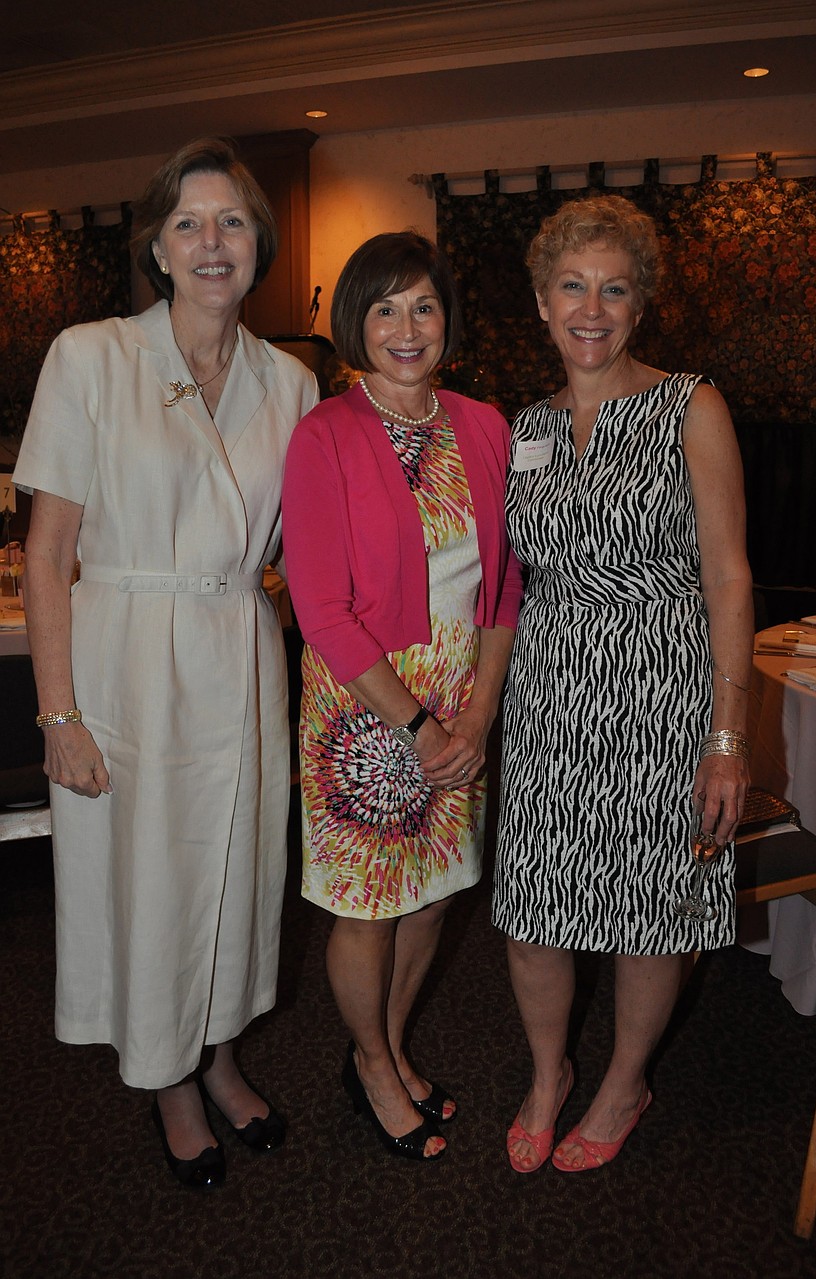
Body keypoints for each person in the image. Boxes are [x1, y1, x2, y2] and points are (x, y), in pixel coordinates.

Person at [13, 137, 319, 1189]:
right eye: (187, 223)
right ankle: (168, 1078)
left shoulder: (292, 379)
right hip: (127, 659)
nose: (211, 241)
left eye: (231, 221)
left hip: (237, 649)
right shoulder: (91, 355)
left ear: (258, 244)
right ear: (155, 246)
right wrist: (59, 714)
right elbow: (48, 553)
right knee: (150, 880)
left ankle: (224, 1053)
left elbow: (307, 550)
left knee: (238, 872)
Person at [493, 193, 752, 1173]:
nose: (589, 308)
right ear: (540, 302)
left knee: (650, 911)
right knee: (533, 905)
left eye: (612, 288)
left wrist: (726, 738)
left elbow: (729, 574)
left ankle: (623, 1080)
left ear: (638, 306)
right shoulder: (525, 427)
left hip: (663, 691)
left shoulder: (693, 403)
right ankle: (549, 1070)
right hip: (550, 696)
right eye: (571, 286)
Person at [281, 231, 523, 1161]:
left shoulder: (484, 424)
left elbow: (504, 581)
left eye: (422, 304)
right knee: (368, 904)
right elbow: (324, 611)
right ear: (356, 322)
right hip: (365, 706)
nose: (406, 326)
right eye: (384, 307)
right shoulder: (324, 436)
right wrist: (416, 723)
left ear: (447, 318)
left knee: (433, 896)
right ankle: (375, 1064)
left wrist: (477, 711)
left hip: (463, 695)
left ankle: (382, 1041)